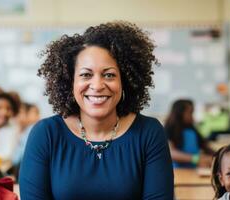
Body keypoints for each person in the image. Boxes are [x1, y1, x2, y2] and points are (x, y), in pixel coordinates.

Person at [19, 21, 174, 199]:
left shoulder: (149, 133)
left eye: (109, 75)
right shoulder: (46, 134)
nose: (98, 85)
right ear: (71, 82)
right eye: (86, 74)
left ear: (125, 81)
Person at [164, 99, 214, 168]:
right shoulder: (169, 129)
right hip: (178, 171)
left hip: (193, 170)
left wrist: (215, 156)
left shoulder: (192, 129)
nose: (192, 116)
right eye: (190, 112)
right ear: (180, 113)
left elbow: (205, 146)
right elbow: (171, 153)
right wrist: (196, 159)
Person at [11, 102, 40, 180]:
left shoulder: (32, 129)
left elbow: (16, 158)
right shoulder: (19, 130)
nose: (37, 116)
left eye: (37, 113)